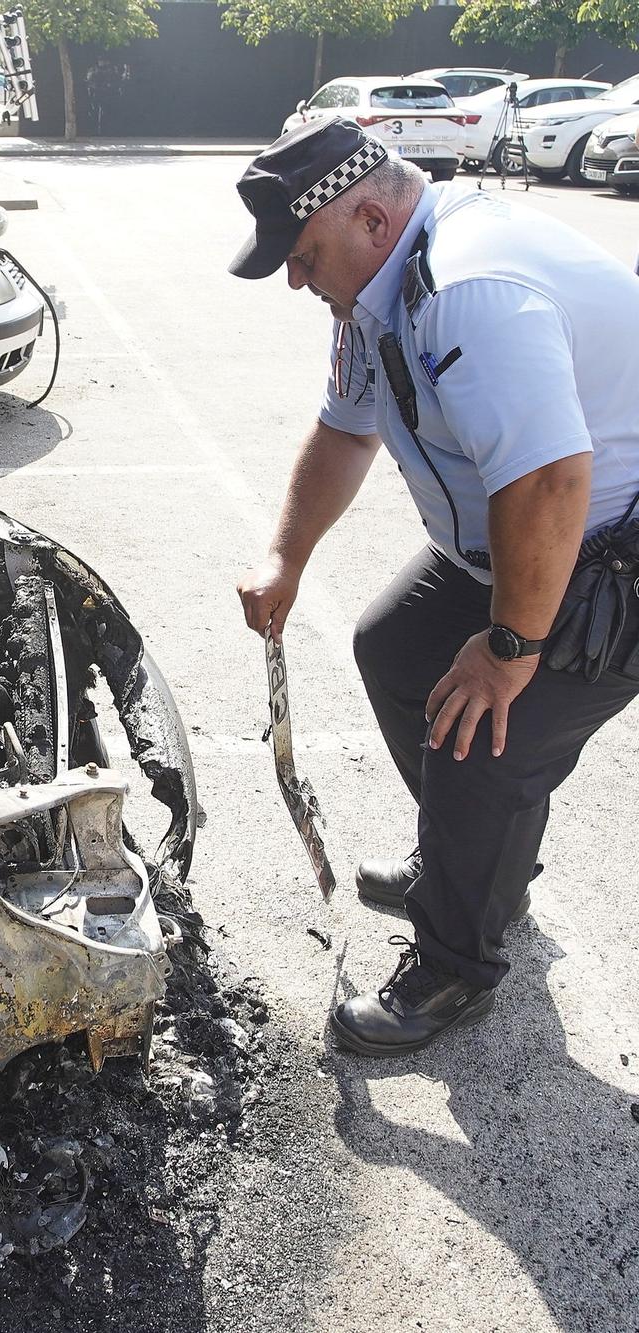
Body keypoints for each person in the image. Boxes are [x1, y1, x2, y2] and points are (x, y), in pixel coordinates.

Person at [227, 119, 639, 1057]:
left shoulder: (468, 289)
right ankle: (473, 861)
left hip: (614, 550)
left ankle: (458, 963)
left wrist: (507, 651)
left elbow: (548, 483)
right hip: (529, 539)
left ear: (372, 217)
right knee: (397, 650)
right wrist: (287, 559)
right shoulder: (372, 293)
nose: (296, 280)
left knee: (484, 736)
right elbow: (344, 431)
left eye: (302, 256)